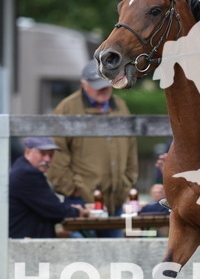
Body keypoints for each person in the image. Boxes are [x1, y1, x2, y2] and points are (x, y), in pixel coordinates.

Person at [46, 60, 138, 234]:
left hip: (115, 200)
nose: (103, 90)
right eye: (97, 86)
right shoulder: (67, 108)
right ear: (83, 84)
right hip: (82, 202)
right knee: (82, 258)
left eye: (106, 85)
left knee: (114, 257)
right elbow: (57, 153)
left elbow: (131, 148)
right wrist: (73, 190)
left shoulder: (121, 106)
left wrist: (127, 182)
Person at [9, 137, 85, 238]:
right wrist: (79, 211)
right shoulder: (28, 174)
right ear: (27, 152)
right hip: (27, 242)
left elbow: (48, 204)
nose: (48, 159)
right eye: (43, 154)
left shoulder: (21, 168)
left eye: (51, 155)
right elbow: (55, 210)